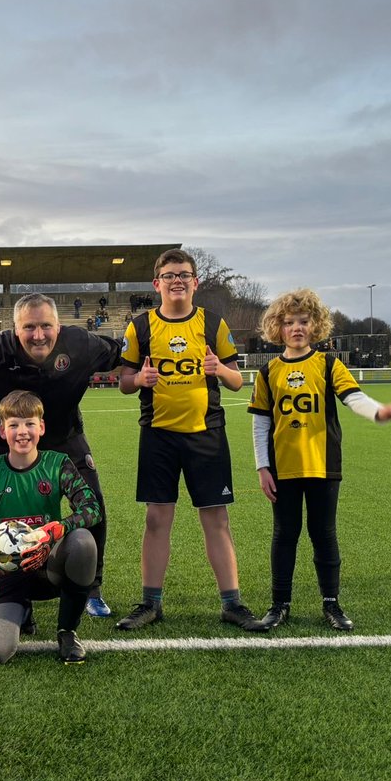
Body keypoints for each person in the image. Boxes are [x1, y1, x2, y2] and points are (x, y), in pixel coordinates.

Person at [0, 292, 122, 621]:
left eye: (45, 326)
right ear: (15, 329)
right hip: (7, 435)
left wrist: (142, 374)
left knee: (93, 501)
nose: (38, 335)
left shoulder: (82, 344)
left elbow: (124, 352)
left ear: (59, 326)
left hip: (64, 435)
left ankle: (92, 589)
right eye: (29, 327)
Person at [115, 248, 261, 632]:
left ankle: (232, 602)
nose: (176, 280)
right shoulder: (140, 327)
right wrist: (139, 381)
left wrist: (220, 370)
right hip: (158, 435)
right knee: (157, 518)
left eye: (184, 274)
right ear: (156, 283)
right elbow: (124, 382)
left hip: (206, 435)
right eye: (169, 275)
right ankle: (150, 603)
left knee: (216, 519)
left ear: (195, 282)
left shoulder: (213, 323)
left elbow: (236, 380)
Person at [248, 288, 391, 632]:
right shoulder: (268, 372)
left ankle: (331, 604)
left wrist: (379, 413)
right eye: (289, 322)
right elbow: (260, 423)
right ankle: (279, 605)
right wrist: (263, 466)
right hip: (282, 468)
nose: (297, 328)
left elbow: (354, 398)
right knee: (284, 534)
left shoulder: (328, 364)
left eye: (304, 321)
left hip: (323, 465)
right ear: (278, 328)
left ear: (316, 325)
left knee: (324, 534)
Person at [0, 391, 102, 664]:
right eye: (14, 425)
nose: (22, 432)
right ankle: (22, 610)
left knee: (83, 542)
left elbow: (91, 509)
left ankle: (67, 631)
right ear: (3, 432)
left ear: (41, 427)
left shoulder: (58, 463)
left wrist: (53, 531)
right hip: (6, 572)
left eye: (29, 423)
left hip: (47, 566)